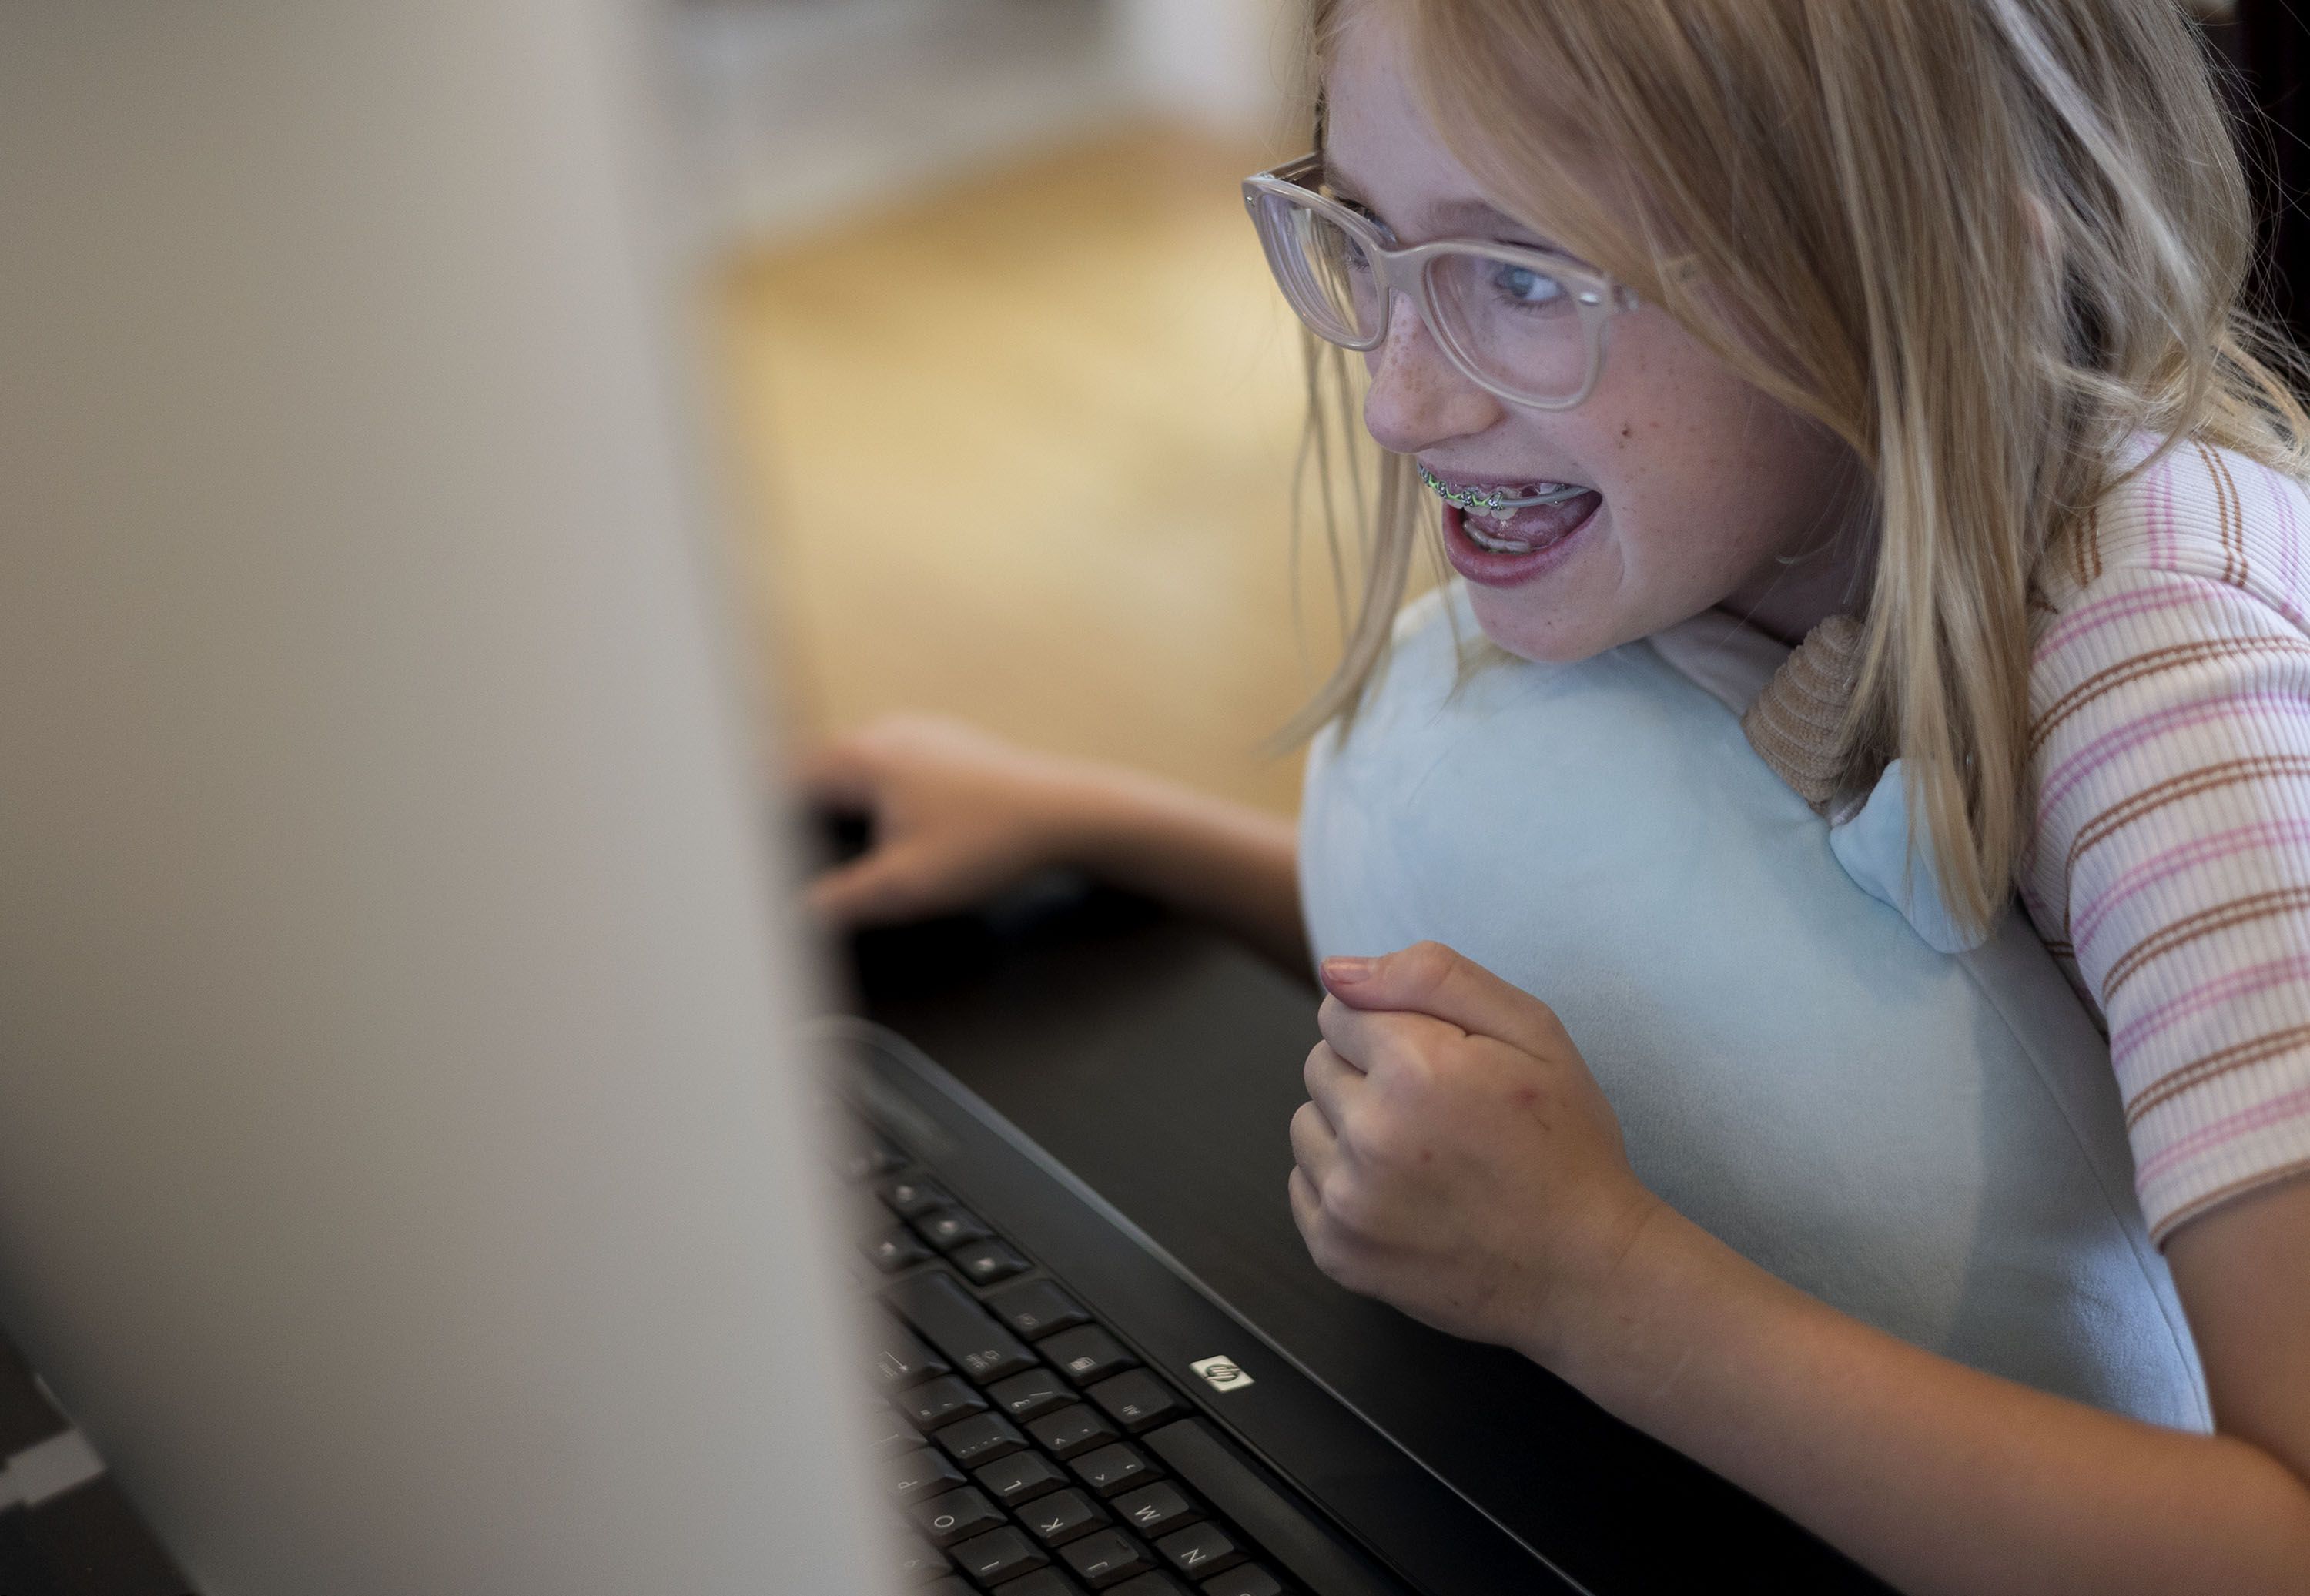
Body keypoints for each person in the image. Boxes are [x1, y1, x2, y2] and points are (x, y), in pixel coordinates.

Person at [802, 1, 2310, 1586]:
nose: (1399, 400)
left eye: (1522, 277)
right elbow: (1724, 970)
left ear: (1951, 272)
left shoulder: (2170, 702)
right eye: (1368, 237)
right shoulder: (1761, 504)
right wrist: (1109, 829)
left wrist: (1600, 1283)